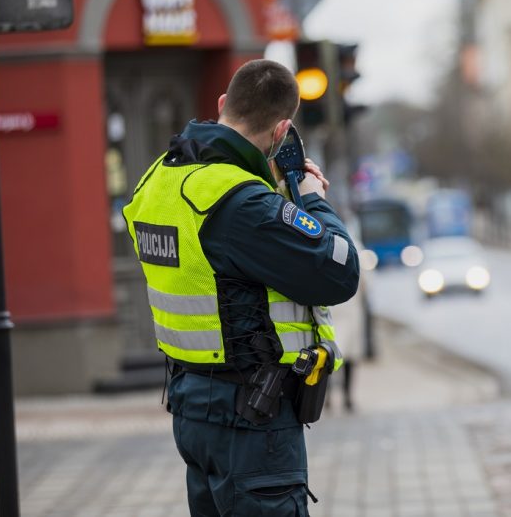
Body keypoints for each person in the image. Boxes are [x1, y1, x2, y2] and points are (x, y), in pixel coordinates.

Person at [122, 59, 360, 516]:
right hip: (252, 416)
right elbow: (339, 271)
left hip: (192, 403)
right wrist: (311, 199)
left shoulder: (160, 178)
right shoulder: (242, 203)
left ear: (222, 104)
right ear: (282, 130)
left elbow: (211, 260)